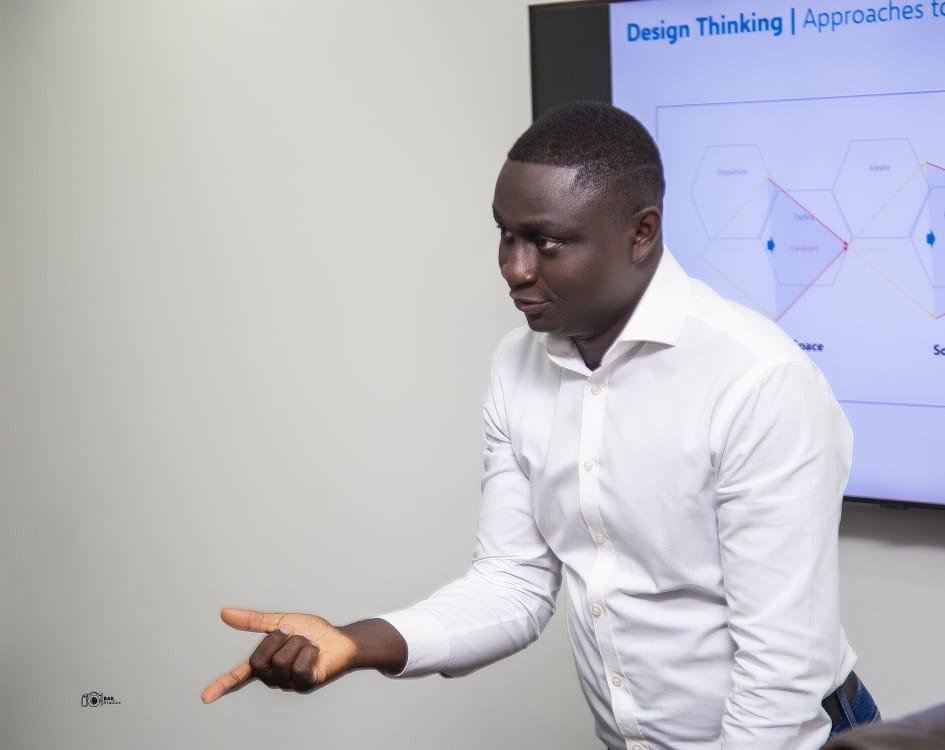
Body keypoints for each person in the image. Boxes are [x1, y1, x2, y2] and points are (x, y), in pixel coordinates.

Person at [201, 101, 880, 748]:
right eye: (506, 234)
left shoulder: (757, 380)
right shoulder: (516, 364)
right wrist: (356, 642)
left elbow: (780, 671)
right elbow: (513, 583)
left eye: (547, 243)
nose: (514, 269)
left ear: (641, 233)